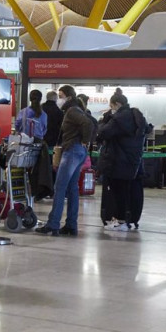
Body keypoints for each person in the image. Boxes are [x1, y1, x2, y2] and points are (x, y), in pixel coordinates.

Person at [36, 85, 91, 236]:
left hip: (72, 150)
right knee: (72, 187)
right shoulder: (77, 109)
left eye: (61, 96)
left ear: (68, 97)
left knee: (60, 187)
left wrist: (85, 140)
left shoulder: (72, 111)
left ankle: (53, 223)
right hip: (78, 151)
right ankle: (71, 225)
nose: (59, 100)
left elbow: (87, 124)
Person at [97, 88, 148, 231]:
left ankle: (120, 221)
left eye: (111, 106)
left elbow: (103, 132)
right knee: (126, 192)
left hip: (118, 160)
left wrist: (104, 121)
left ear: (117, 104)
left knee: (117, 192)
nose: (111, 109)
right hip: (132, 161)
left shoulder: (119, 118)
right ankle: (125, 219)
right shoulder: (136, 115)